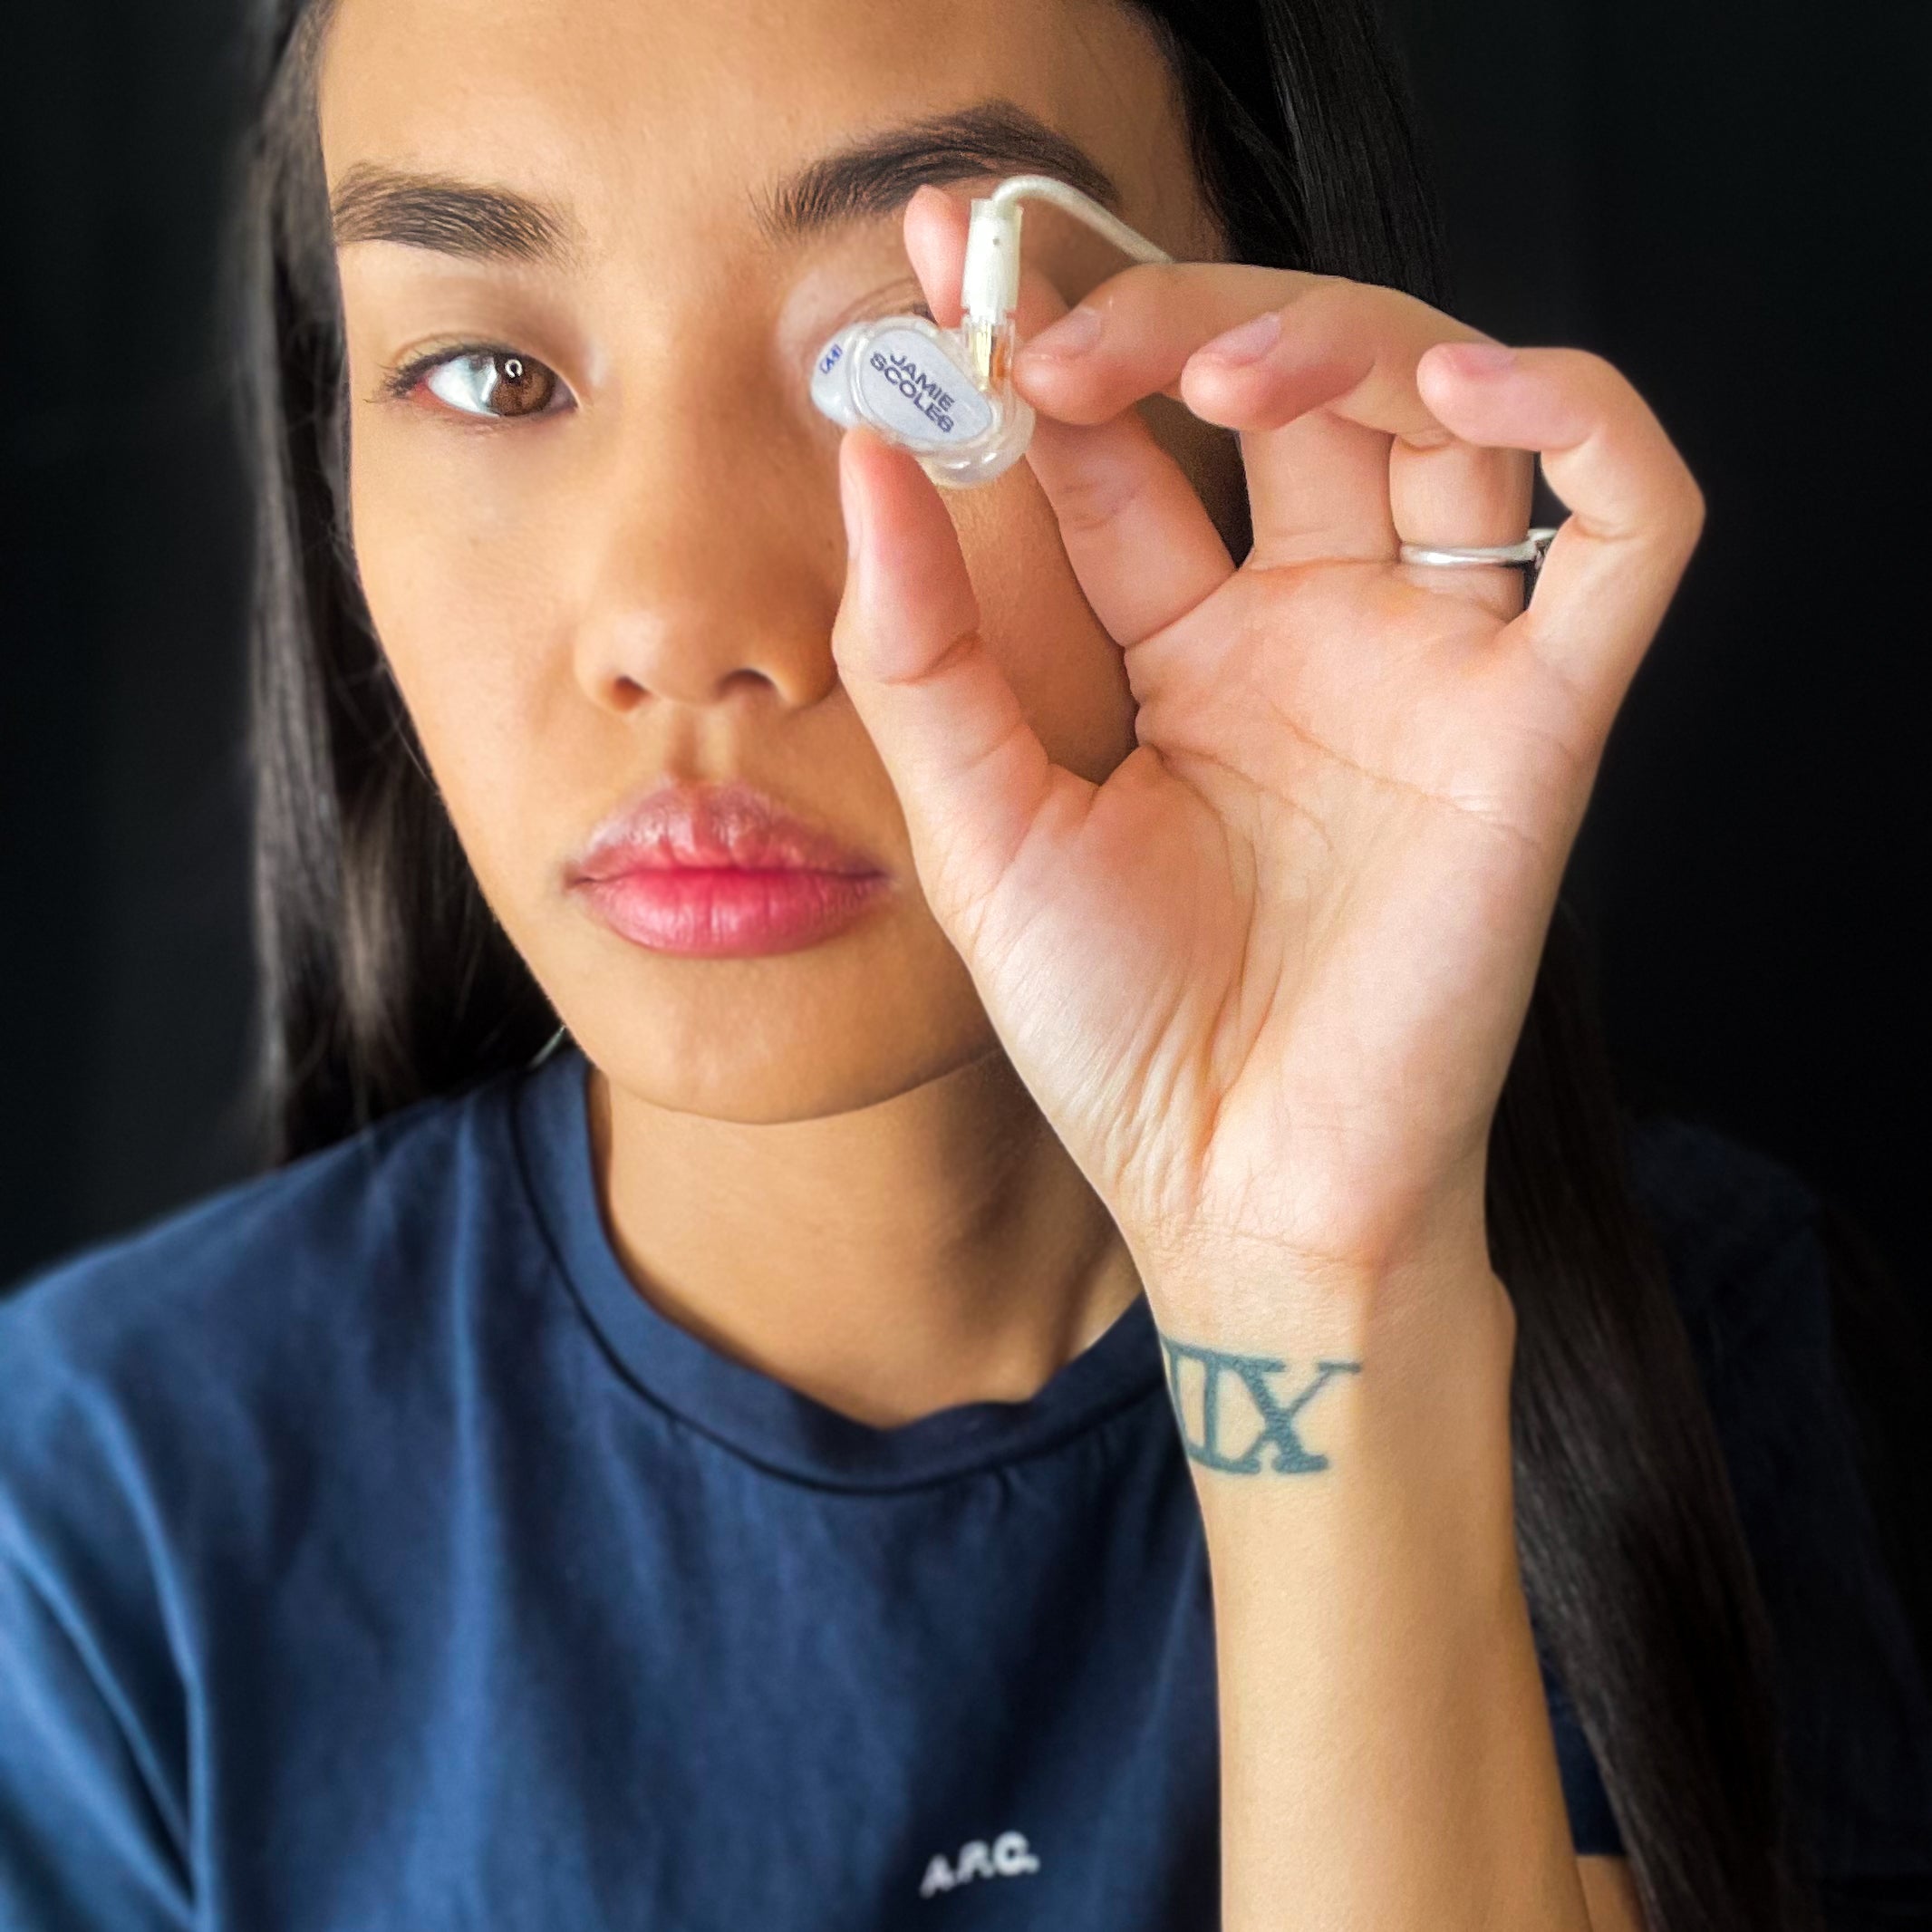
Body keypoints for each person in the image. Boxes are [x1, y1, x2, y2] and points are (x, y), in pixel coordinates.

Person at [0, 0, 1927, 1927]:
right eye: (489, 372)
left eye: (904, 357)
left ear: (1243, 358)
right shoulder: (103, 1521)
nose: (685, 622)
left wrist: (1322, 1271)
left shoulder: (1709, 1355)